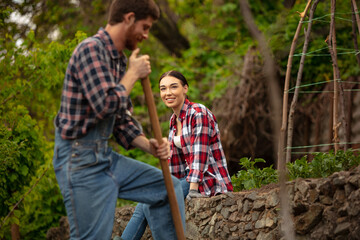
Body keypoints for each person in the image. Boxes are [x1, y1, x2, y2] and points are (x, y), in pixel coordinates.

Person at [52, 1, 185, 239]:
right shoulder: (90, 49)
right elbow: (105, 104)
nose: (146, 35)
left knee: (169, 188)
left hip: (104, 156)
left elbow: (122, 119)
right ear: (129, 18)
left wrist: (149, 145)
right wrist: (133, 74)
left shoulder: (119, 60)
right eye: (145, 27)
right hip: (79, 160)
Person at [121, 70, 233, 240]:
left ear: (185, 88)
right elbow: (175, 162)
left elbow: (199, 153)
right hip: (186, 178)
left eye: (174, 87)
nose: (168, 93)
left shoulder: (198, 113)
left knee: (152, 201)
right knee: (145, 199)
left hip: (206, 179)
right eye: (163, 89)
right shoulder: (174, 121)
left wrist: (192, 190)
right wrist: (167, 184)